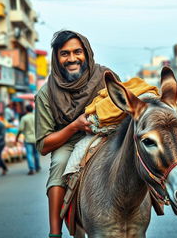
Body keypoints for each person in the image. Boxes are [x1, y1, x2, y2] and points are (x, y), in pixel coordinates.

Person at [35, 30, 119, 237]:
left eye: (77, 52)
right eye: (64, 53)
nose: (72, 59)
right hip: (69, 141)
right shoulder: (46, 94)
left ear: (87, 53)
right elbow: (44, 145)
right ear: (56, 58)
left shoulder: (107, 78)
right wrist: (75, 126)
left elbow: (123, 109)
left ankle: (159, 195)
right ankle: (55, 231)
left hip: (108, 136)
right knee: (59, 164)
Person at [16, 104, 40, 175]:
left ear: (26, 110)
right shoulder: (36, 117)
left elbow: (20, 129)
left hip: (28, 139)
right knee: (36, 153)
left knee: (29, 154)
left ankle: (32, 169)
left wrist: (16, 137)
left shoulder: (24, 118)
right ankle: (37, 167)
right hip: (36, 138)